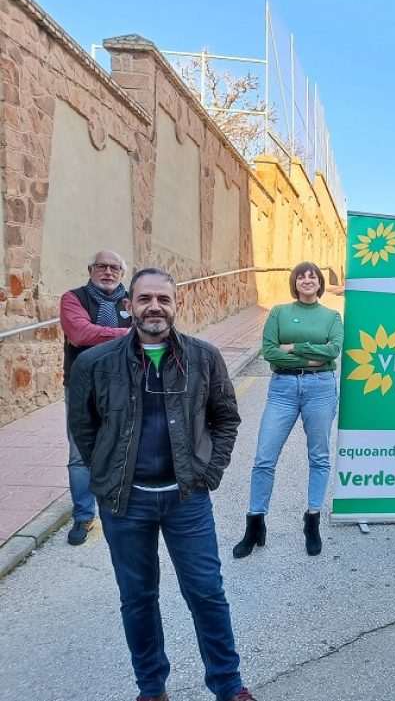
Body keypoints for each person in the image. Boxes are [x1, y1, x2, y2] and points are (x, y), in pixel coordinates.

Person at [68, 268, 255, 701]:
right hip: (125, 503)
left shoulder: (204, 357)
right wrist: (107, 473)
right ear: (128, 305)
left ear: (177, 305)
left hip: (186, 498)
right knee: (137, 598)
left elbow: (226, 418)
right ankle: (151, 689)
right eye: (145, 298)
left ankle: (228, 686)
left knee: (207, 593)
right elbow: (84, 427)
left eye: (164, 299)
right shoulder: (95, 363)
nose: (155, 306)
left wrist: (210, 471)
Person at [233, 262, 342, 559]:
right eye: (301, 276)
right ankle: (255, 524)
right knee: (264, 457)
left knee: (318, 457)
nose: (307, 280)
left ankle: (312, 520)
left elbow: (333, 351)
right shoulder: (279, 312)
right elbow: (269, 352)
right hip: (283, 389)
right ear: (294, 283)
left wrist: (293, 348)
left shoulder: (332, 316)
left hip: (321, 390)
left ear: (320, 283)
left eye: (313, 276)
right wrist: (307, 360)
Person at [60, 249, 132, 545]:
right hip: (81, 387)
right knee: (79, 454)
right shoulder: (73, 298)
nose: (108, 272)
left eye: (114, 267)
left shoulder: (132, 299)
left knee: (123, 443)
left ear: (121, 273)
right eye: (101, 266)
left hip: (122, 383)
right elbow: (79, 334)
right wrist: (124, 334)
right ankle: (83, 515)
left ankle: (119, 505)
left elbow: (150, 331)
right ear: (91, 269)